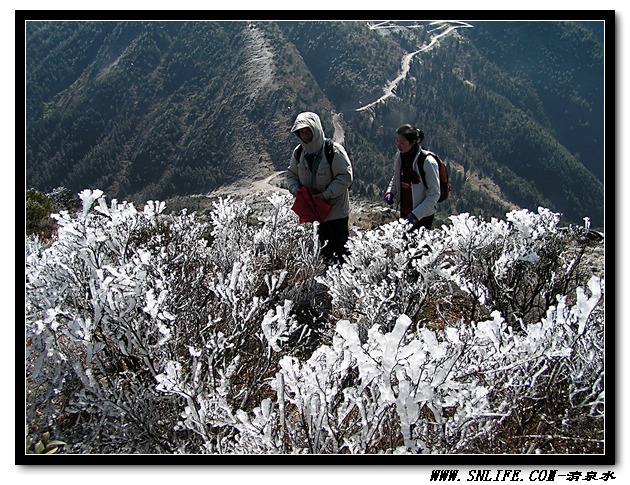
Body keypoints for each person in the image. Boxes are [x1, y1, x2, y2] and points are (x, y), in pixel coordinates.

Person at [287, 112, 353, 264]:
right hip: (316, 214)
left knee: (341, 254)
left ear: (315, 130)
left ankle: (343, 286)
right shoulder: (299, 153)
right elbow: (291, 174)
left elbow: (345, 177)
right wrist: (295, 190)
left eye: (307, 131)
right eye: (301, 133)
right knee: (324, 254)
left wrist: (326, 195)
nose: (304, 136)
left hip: (336, 213)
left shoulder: (333, 151)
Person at [384, 124, 440, 231]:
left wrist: (416, 215)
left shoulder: (427, 162)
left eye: (402, 143)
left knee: (420, 247)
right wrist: (390, 192)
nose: (398, 145)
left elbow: (434, 194)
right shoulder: (400, 156)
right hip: (405, 212)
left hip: (423, 217)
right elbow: (396, 177)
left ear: (413, 142)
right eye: (397, 141)